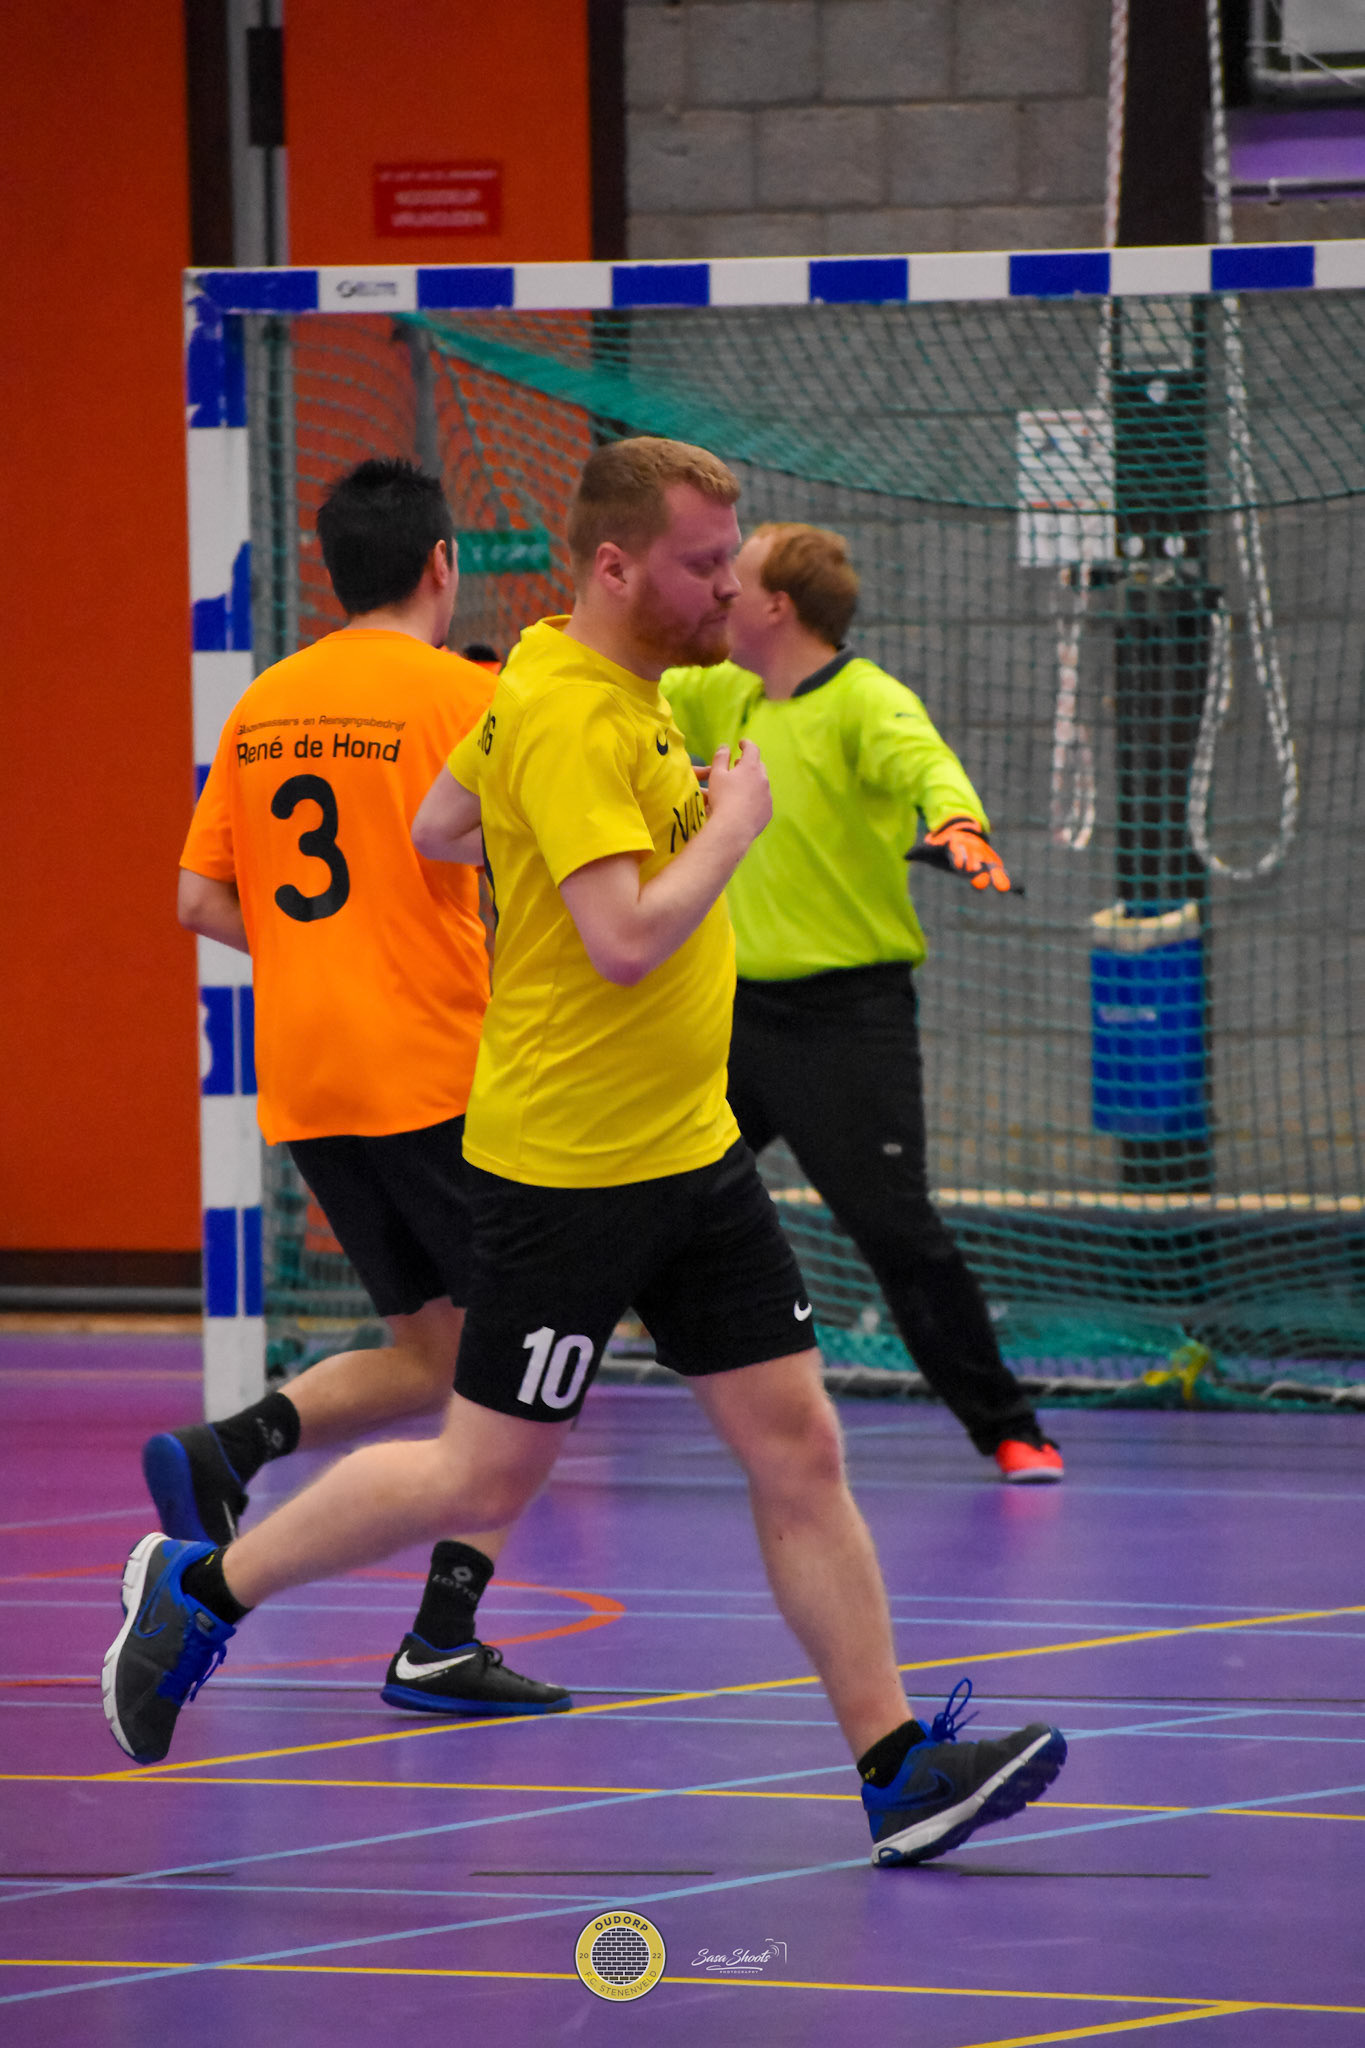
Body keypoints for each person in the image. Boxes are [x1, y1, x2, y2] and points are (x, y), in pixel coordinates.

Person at [104, 437, 1065, 1868]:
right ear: (615, 567)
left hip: (691, 1152)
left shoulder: (584, 676)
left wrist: (530, 830)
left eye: (732, 558)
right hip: (573, 1172)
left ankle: (895, 1768)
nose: (729, 586)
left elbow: (439, 822)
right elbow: (619, 940)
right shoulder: (566, 709)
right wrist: (731, 827)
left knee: (800, 1447)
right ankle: (204, 1591)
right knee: (477, 1478)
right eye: (702, 563)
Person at [148, 457, 568, 1718]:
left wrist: (318, 956)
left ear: (332, 569)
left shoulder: (266, 699)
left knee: (433, 1350)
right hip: (439, 1069)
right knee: (535, 1358)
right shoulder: (463, 696)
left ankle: (230, 1446)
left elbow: (196, 897)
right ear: (444, 561)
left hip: (310, 1076)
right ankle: (442, 1634)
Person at [663, 524, 1064, 1484]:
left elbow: (925, 767)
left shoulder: (864, 701)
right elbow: (616, 683)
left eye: (738, 578)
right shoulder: (719, 694)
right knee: (640, 1201)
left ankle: (1010, 1428)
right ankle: (529, 1402)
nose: (722, 591)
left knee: (894, 1233)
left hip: (846, 1025)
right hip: (729, 1015)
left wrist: (956, 820)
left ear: (777, 607)